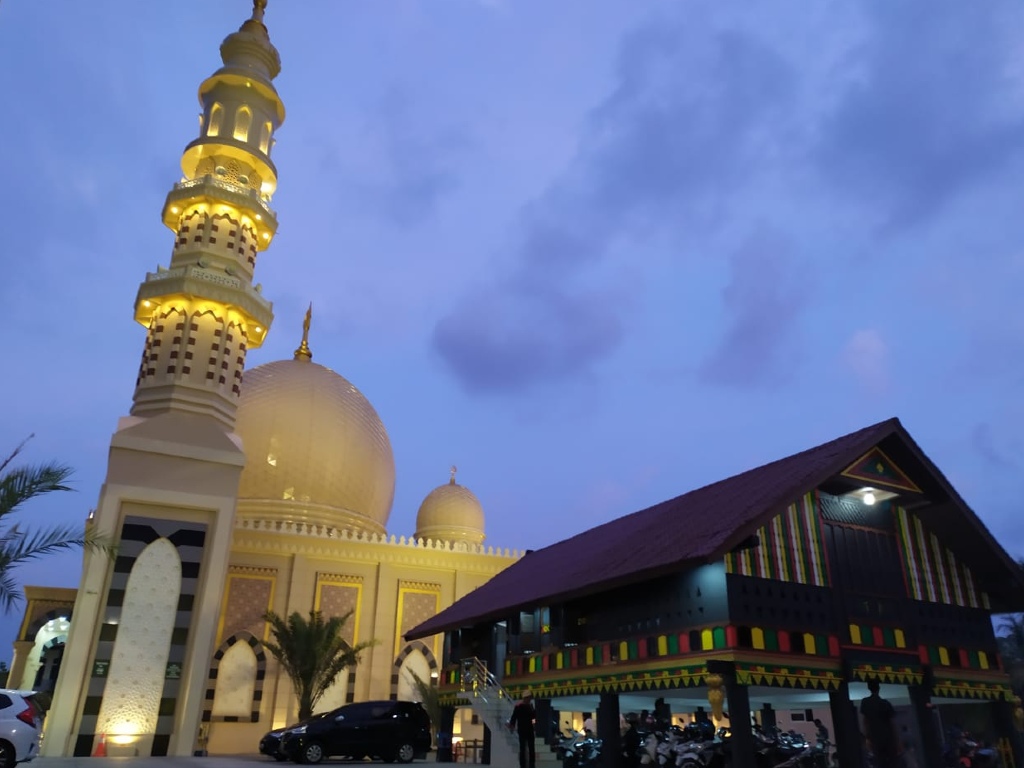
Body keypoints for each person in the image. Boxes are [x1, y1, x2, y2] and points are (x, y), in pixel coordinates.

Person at [860, 679, 901, 768]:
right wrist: (897, 740)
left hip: (874, 737)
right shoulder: (885, 703)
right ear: (879, 688)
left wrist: (867, 737)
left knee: (880, 762)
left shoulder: (865, 702)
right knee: (892, 762)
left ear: (868, 688)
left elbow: (865, 721)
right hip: (887, 737)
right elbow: (892, 723)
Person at [508, 689, 536, 768]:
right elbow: (514, 717)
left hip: (530, 730)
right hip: (522, 730)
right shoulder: (518, 707)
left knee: (531, 748)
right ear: (525, 698)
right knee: (522, 748)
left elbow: (533, 718)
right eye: (529, 697)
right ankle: (522, 765)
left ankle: (532, 765)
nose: (530, 699)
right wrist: (512, 725)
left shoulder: (531, 706)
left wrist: (534, 725)